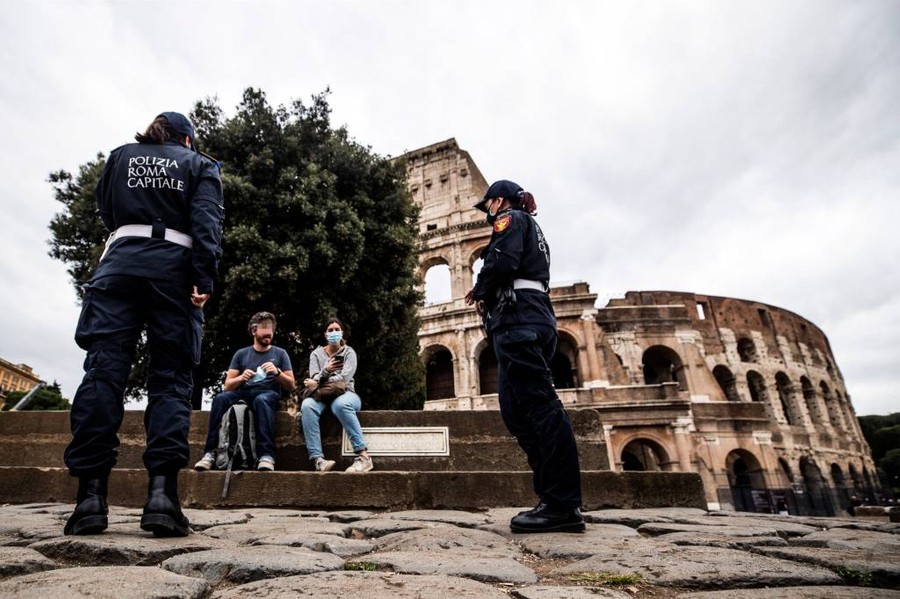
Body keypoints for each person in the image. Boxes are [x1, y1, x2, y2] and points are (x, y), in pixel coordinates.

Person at [63, 111, 224, 537]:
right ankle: (161, 498)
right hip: (174, 273)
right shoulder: (201, 165)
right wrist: (203, 278)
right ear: (187, 140)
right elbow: (207, 223)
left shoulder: (120, 157)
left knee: (102, 373)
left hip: (118, 266)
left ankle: (89, 499)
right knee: (171, 379)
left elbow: (106, 209)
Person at [465, 179, 584, 534]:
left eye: (487, 205)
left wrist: (479, 289)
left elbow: (502, 262)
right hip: (524, 319)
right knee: (515, 411)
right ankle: (550, 496)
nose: (487, 213)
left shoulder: (511, 220)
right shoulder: (527, 224)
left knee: (540, 406)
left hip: (520, 320)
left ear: (498, 201)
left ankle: (562, 505)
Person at [194, 311, 295, 472]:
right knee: (221, 398)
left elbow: (291, 385)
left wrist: (277, 372)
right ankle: (210, 453)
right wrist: (241, 378)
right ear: (253, 331)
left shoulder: (280, 353)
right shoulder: (241, 354)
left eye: (271, 328)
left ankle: (266, 456)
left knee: (261, 400)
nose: (269, 332)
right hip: (245, 394)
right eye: (264, 328)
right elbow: (228, 385)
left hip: (268, 394)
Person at [300, 318, 374, 473]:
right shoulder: (316, 354)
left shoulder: (349, 352)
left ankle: (364, 456)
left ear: (342, 332)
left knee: (340, 405)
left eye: (336, 329)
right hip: (322, 396)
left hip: (346, 393)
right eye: (330, 330)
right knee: (307, 406)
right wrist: (326, 370)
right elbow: (312, 378)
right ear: (325, 334)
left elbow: (345, 379)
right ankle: (318, 460)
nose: (334, 332)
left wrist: (321, 380)